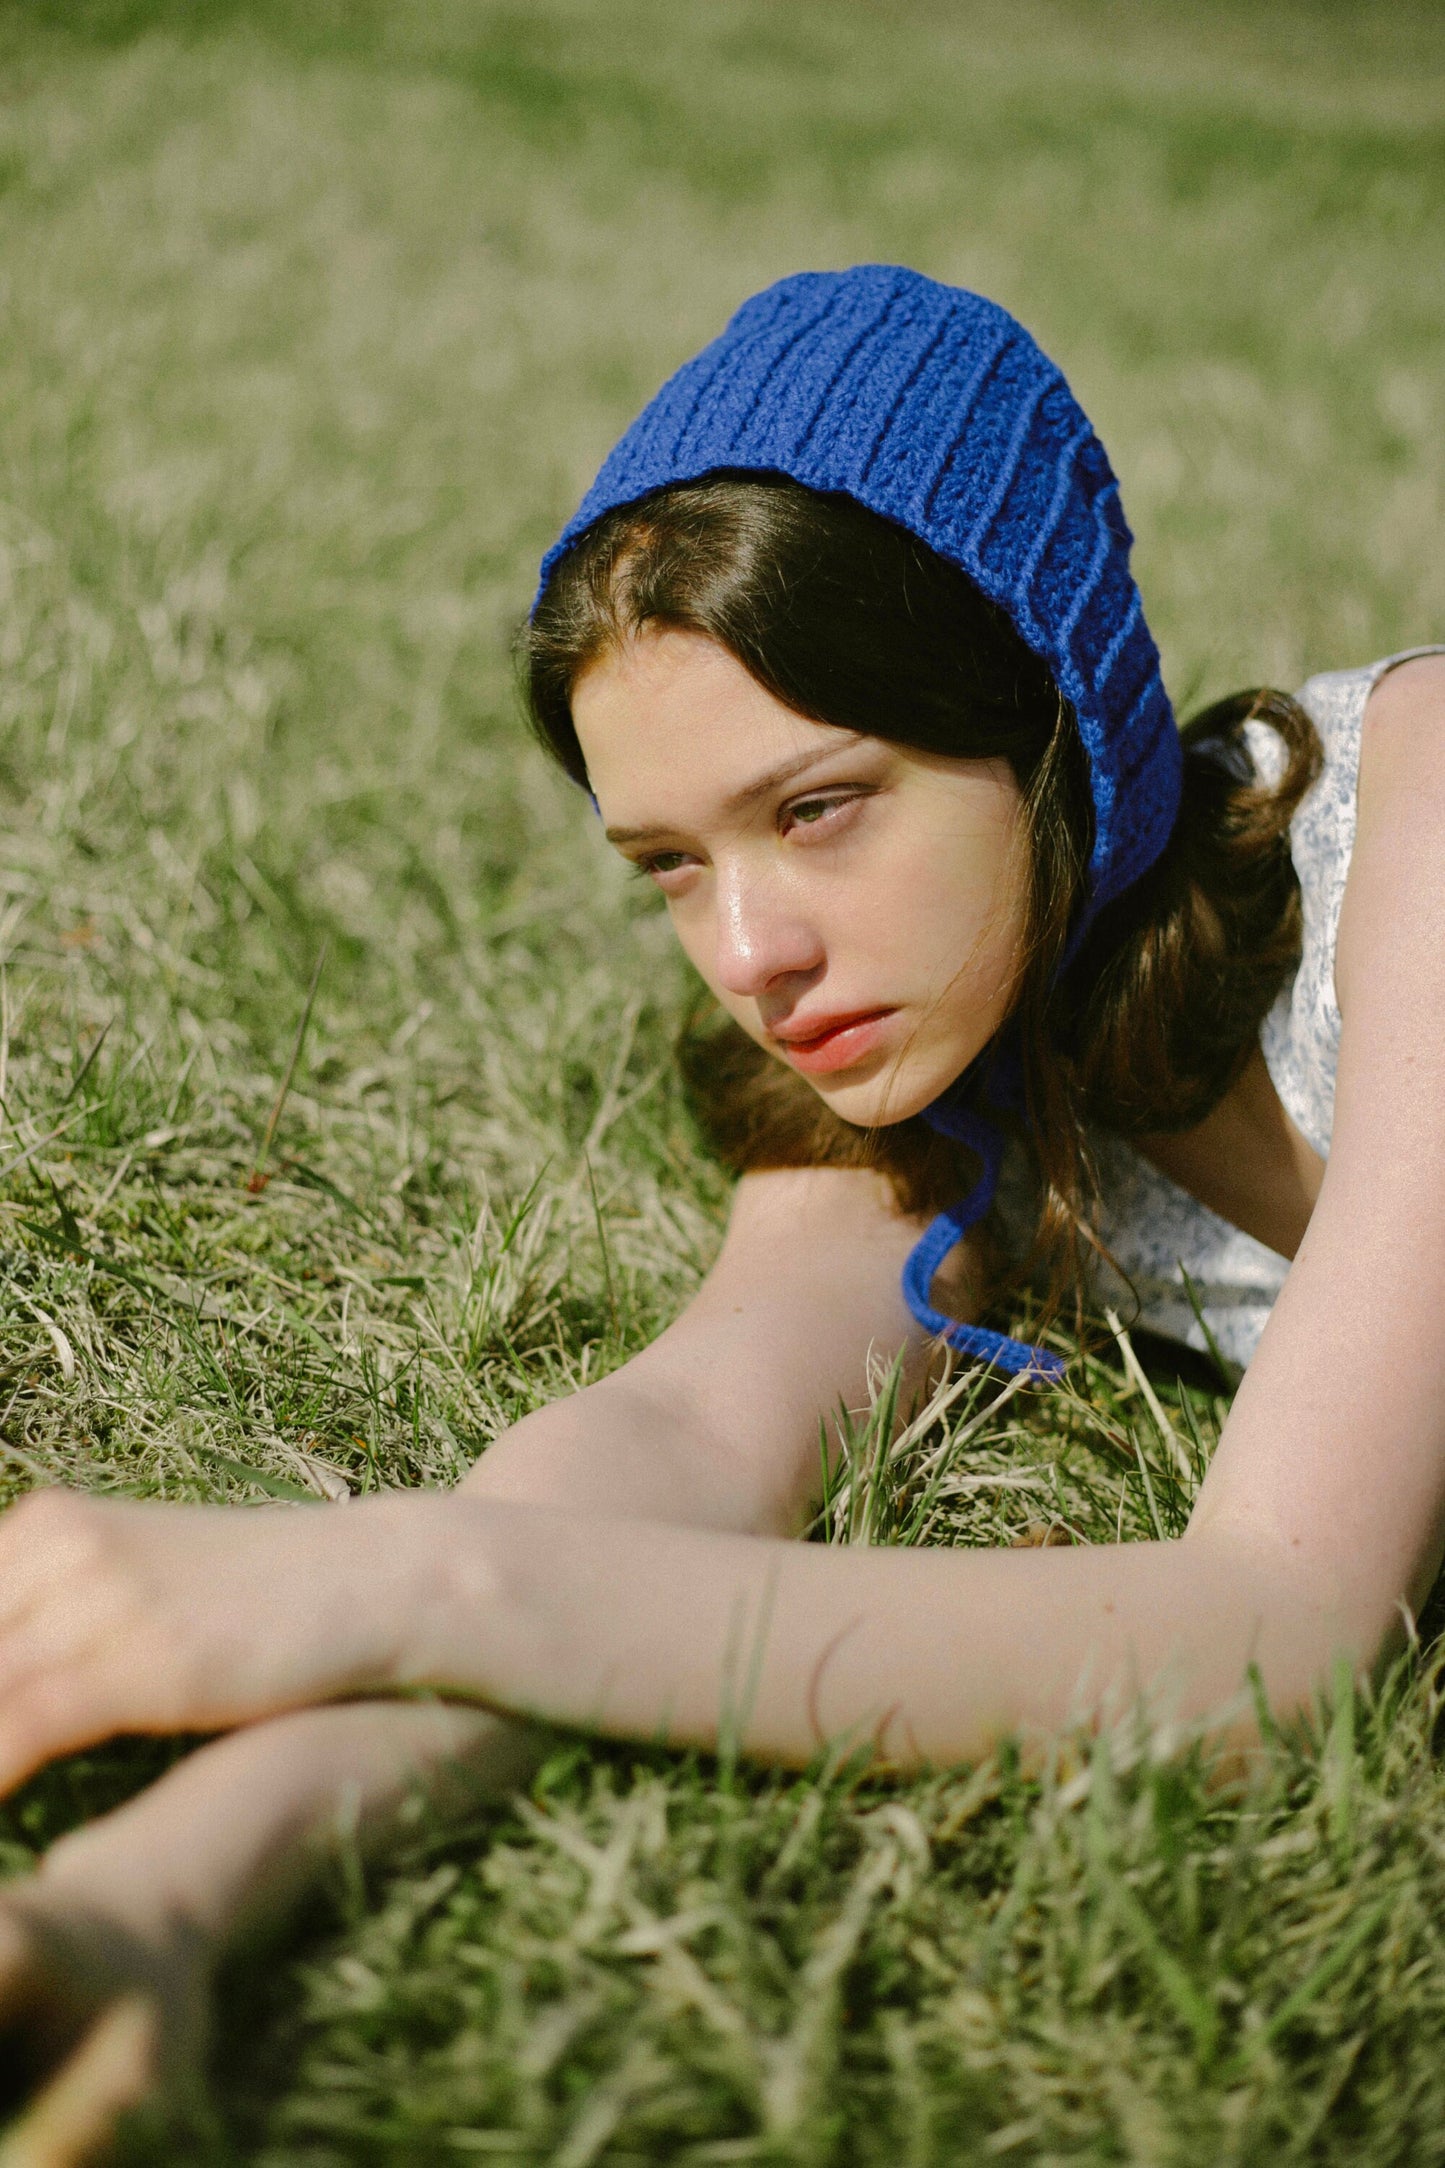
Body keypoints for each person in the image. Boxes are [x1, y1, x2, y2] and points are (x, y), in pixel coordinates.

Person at [1, 264, 1442, 2155]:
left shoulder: (1417, 813)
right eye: (671, 864)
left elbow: (1274, 1637)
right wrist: (146, 1907)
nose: (750, 953)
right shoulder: (945, 1051)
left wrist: (376, 1579)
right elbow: (674, 1457)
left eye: (821, 806)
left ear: (1039, 717)